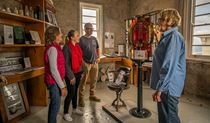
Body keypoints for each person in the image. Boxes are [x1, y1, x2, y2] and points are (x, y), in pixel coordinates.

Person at [150, 8, 186, 123]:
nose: (158, 22)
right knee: (165, 117)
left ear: (169, 21)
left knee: (169, 118)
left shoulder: (173, 37)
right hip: (167, 86)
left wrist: (161, 89)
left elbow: (169, 65)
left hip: (169, 87)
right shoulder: (168, 37)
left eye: (161, 19)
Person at [44, 26, 67, 123]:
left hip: (55, 80)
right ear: (55, 36)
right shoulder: (53, 49)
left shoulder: (56, 47)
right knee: (56, 104)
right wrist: (62, 86)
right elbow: (53, 69)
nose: (62, 34)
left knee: (55, 104)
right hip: (53, 81)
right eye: (60, 33)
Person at [62, 30, 84, 121]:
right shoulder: (66, 48)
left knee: (75, 92)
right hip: (70, 74)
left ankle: (74, 109)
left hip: (78, 73)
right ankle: (66, 113)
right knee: (71, 93)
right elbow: (66, 64)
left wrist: (81, 72)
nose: (79, 36)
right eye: (77, 35)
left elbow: (80, 60)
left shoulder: (77, 46)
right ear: (72, 37)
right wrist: (71, 76)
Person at [78, 23, 101, 107]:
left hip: (95, 63)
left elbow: (98, 48)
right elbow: (78, 52)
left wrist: (98, 57)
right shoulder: (81, 39)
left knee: (94, 80)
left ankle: (92, 95)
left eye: (91, 29)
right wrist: (83, 62)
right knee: (83, 82)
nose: (90, 30)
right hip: (86, 63)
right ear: (85, 29)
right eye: (88, 29)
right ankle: (80, 99)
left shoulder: (94, 38)